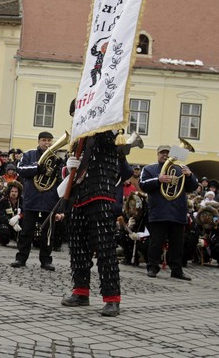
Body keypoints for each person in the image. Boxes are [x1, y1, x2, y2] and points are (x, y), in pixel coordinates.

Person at [60, 130, 132, 317]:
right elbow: (70, 173)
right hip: (78, 195)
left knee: (104, 248)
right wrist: (68, 167)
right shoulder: (79, 139)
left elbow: (126, 170)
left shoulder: (106, 133)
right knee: (77, 247)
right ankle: (81, 292)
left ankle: (112, 299)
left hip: (99, 193)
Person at [140, 145, 198, 281]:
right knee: (156, 242)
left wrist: (189, 176)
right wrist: (158, 180)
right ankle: (152, 267)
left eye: (167, 153)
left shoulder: (179, 169)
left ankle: (177, 270)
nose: (165, 155)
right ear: (157, 154)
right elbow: (142, 185)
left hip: (177, 212)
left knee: (177, 244)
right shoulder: (149, 169)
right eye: (162, 153)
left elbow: (193, 187)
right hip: (159, 212)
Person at [12, 131, 61, 271]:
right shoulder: (29, 154)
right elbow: (20, 169)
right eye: (44, 140)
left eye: (49, 141)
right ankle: (21, 258)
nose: (47, 143)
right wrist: (37, 168)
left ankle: (46, 260)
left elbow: (61, 178)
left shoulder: (56, 158)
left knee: (48, 232)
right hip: (32, 198)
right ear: (39, 141)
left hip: (49, 199)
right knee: (27, 230)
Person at [0, 181, 24, 246]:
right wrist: (10, 222)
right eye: (12, 191)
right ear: (9, 192)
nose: (14, 193)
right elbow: (1, 215)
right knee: (3, 233)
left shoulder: (22, 201)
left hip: (19, 224)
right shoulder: (3, 201)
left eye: (16, 192)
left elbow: (26, 212)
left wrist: (19, 217)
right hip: (6, 223)